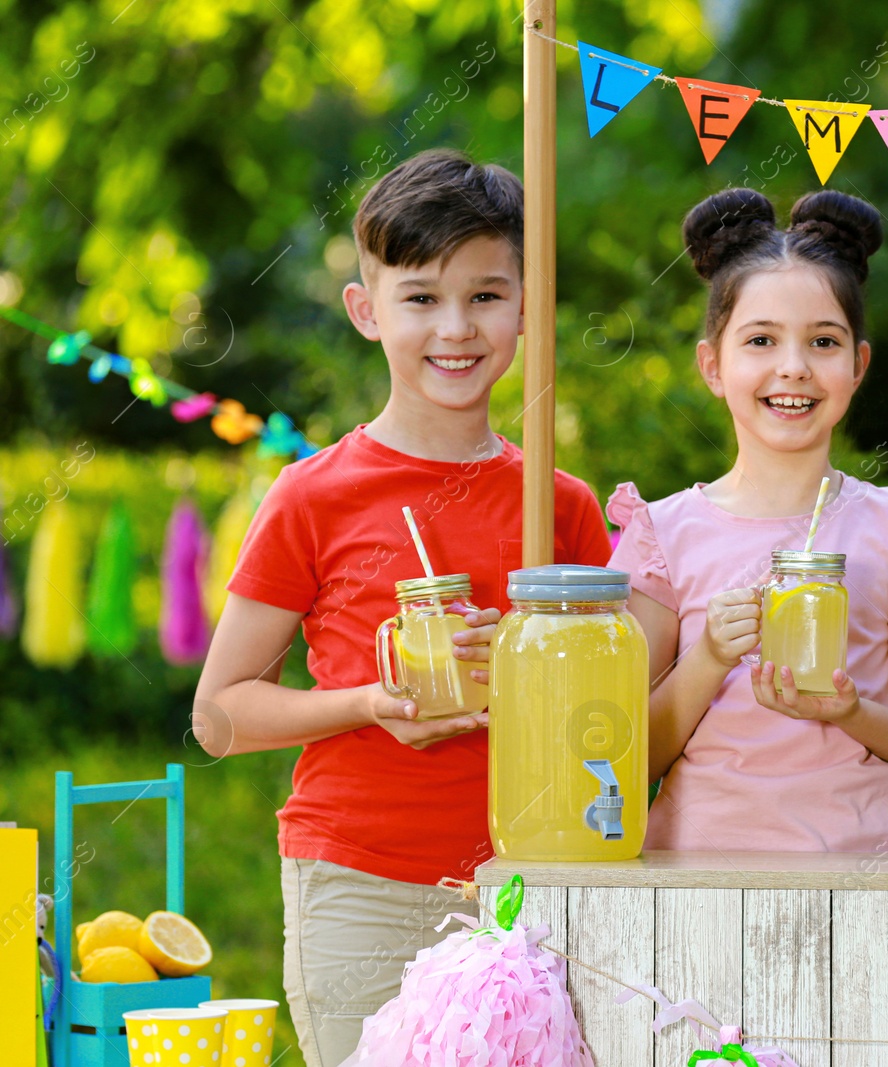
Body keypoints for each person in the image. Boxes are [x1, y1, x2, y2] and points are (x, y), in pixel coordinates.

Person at [192, 149, 611, 1067]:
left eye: (487, 295)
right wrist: (367, 704)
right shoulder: (314, 496)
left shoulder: (563, 506)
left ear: (528, 306)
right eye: (420, 297)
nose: (455, 327)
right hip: (361, 877)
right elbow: (220, 714)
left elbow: (618, 715)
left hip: (537, 884)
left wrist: (537, 657)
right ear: (365, 311)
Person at [607, 187, 888, 853]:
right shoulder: (659, 536)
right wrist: (710, 656)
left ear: (857, 365)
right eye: (761, 340)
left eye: (823, 341)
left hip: (866, 887)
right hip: (697, 892)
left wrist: (851, 711)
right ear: (713, 365)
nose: (793, 367)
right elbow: (625, 761)